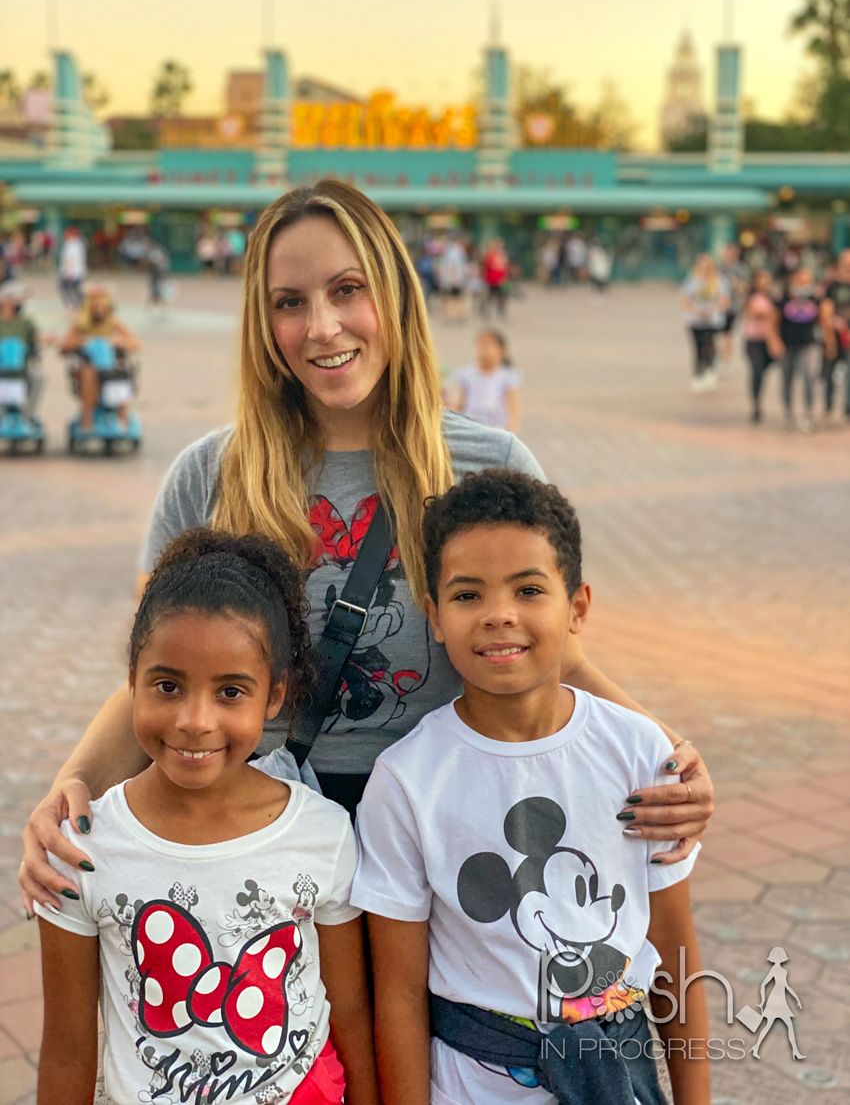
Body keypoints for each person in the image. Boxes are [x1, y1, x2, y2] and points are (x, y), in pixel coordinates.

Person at [20, 180, 713, 916]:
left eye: (347, 290)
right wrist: (71, 787)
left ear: (396, 295)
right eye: (290, 302)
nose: (322, 327)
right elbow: (154, 674)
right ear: (263, 323)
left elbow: (553, 656)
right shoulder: (209, 476)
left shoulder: (491, 464)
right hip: (261, 840)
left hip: (439, 830)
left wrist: (664, 753)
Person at [354, 470, 710, 1105]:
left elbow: (674, 953)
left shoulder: (638, 751)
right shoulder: (406, 782)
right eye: (468, 595)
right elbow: (400, 994)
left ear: (578, 608)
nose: (499, 615)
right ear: (434, 616)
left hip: (619, 1079)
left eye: (528, 589)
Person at [36, 529, 379, 1105]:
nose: (195, 721)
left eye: (230, 692)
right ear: (131, 679)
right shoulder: (81, 847)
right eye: (168, 685)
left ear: (275, 695)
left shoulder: (321, 832)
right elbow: (67, 1049)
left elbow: (350, 1014)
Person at [59, 283, 140, 430]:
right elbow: (64, 347)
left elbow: (135, 344)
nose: (99, 309)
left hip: (111, 366)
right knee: (89, 374)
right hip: (90, 366)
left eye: (102, 305)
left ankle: (122, 417)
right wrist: (81, 342)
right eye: (95, 306)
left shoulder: (113, 323)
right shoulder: (81, 325)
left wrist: (118, 341)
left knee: (121, 373)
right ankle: (87, 418)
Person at [778, 265, 822, 432]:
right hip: (788, 344)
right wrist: (775, 341)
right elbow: (775, 319)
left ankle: (808, 413)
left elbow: (823, 318)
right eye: (801, 279)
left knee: (809, 377)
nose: (804, 283)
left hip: (808, 343)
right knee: (787, 378)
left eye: (807, 280)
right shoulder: (784, 298)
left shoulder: (815, 298)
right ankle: (788, 412)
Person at [452, 328, 520, 433]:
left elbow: (513, 407)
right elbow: (459, 404)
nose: (484, 350)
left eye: (489, 345)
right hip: (471, 428)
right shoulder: (466, 374)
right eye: (481, 345)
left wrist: (511, 430)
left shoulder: (507, 377)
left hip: (497, 430)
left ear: (501, 351)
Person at [680, 253, 730, 392]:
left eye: (708, 267)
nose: (705, 270)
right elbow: (684, 298)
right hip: (695, 320)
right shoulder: (691, 281)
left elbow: (725, 299)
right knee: (697, 348)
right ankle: (698, 374)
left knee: (709, 345)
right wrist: (695, 310)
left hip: (713, 321)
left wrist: (713, 309)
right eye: (702, 267)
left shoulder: (719, 281)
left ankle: (710, 370)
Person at [742, 269, 782, 424]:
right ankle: (756, 404)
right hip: (754, 340)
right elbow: (753, 312)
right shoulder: (751, 297)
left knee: (768, 369)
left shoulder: (773, 298)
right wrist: (769, 314)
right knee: (757, 371)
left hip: (769, 340)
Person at [0, 280, 43, 418]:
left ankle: (28, 415)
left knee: (38, 376)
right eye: (16, 299)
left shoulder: (26, 322)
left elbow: (37, 340)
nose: (20, 302)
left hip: (21, 369)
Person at [820, 248, 850, 423]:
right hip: (833, 336)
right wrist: (834, 322)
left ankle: (848, 408)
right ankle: (828, 402)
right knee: (829, 372)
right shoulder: (832, 286)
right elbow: (825, 309)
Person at [718, 242, 750, 372]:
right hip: (717, 307)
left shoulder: (741, 269)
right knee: (716, 336)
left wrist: (735, 283)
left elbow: (746, 288)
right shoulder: (718, 267)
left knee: (727, 335)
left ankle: (726, 361)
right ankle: (717, 358)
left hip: (732, 307)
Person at [58, 226, 88, 310]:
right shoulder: (79, 244)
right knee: (77, 290)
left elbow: (71, 259)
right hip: (78, 272)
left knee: (68, 290)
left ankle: (72, 306)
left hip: (72, 273)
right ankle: (79, 305)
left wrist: (69, 273)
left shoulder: (71, 245)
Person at [481, 237, 510, 319]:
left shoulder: (502, 256)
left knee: (502, 296)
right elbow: (485, 267)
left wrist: (505, 278)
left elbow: (505, 268)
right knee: (490, 296)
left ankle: (501, 312)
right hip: (492, 279)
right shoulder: (489, 255)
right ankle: (486, 311)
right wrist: (485, 278)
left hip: (499, 279)